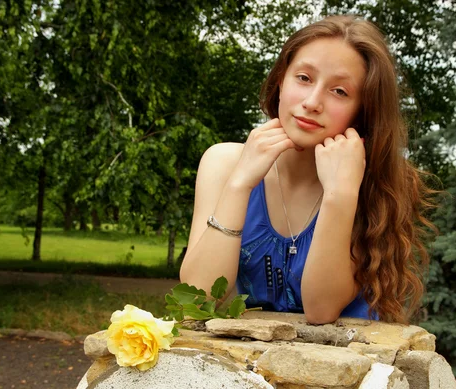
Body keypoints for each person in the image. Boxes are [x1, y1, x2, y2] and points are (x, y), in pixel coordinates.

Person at [179, 15, 435, 324]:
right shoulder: (223, 163)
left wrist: (340, 193)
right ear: (280, 82)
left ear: (363, 112)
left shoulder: (378, 180)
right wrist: (240, 183)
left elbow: (321, 310)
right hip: (253, 363)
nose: (312, 102)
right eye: (304, 78)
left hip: (350, 359)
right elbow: (197, 298)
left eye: (339, 91)